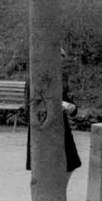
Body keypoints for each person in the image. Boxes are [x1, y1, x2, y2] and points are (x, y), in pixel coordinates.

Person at [25, 48, 82, 180]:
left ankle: (61, 193)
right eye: (58, 57)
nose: (60, 61)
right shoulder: (34, 77)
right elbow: (29, 108)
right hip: (42, 128)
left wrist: (72, 108)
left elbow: (70, 103)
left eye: (62, 57)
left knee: (71, 164)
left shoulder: (62, 77)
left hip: (62, 126)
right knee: (43, 169)